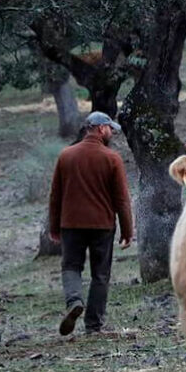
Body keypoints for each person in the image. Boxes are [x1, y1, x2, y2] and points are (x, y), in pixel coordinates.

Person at [48, 111, 134, 335]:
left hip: (71, 224)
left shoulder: (66, 156)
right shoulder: (111, 158)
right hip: (102, 225)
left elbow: (55, 195)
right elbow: (122, 200)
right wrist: (128, 231)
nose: (112, 132)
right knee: (100, 274)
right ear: (99, 129)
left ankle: (74, 301)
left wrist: (54, 227)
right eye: (109, 128)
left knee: (71, 267)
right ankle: (93, 325)